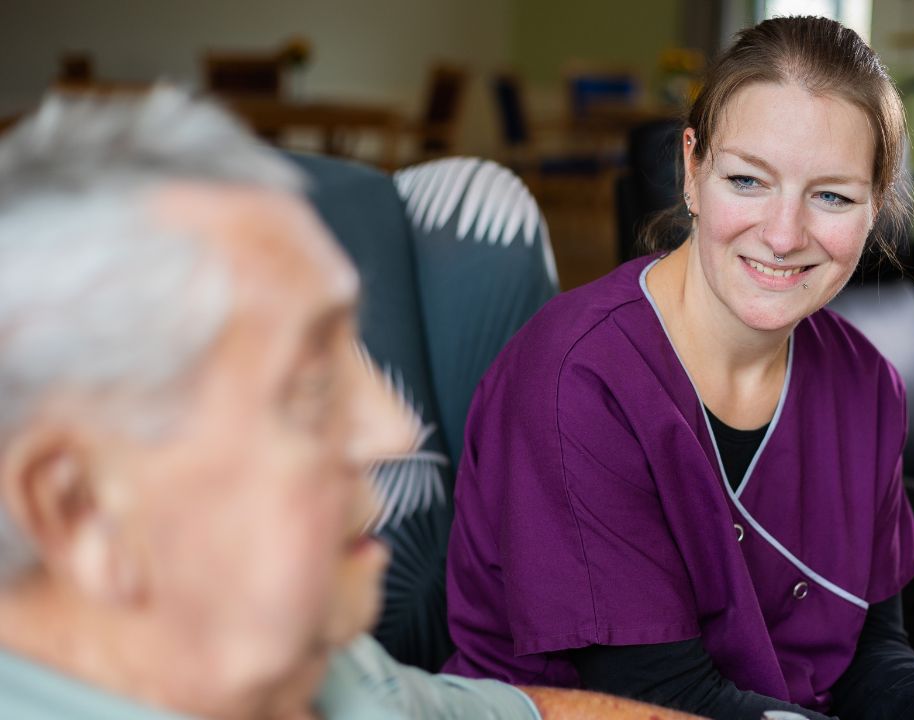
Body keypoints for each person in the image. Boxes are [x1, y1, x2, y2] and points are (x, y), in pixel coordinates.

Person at [0, 87, 699, 720]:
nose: (399, 430)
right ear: (77, 503)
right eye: (311, 384)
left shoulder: (302, 647)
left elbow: (518, 714)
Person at [444, 16, 914, 720]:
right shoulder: (578, 380)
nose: (784, 234)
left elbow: (862, 659)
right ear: (691, 171)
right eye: (747, 180)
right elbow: (654, 699)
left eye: (832, 195)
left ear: (877, 204)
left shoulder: (865, 387)